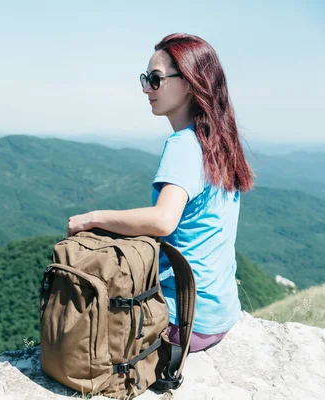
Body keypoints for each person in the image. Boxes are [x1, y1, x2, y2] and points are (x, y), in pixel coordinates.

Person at [67, 33, 254, 352]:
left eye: (155, 79)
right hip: (218, 316)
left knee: (72, 330)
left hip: (182, 320)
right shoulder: (219, 144)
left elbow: (163, 220)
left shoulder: (184, 144)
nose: (145, 89)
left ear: (190, 82)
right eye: (145, 79)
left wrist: (92, 218)